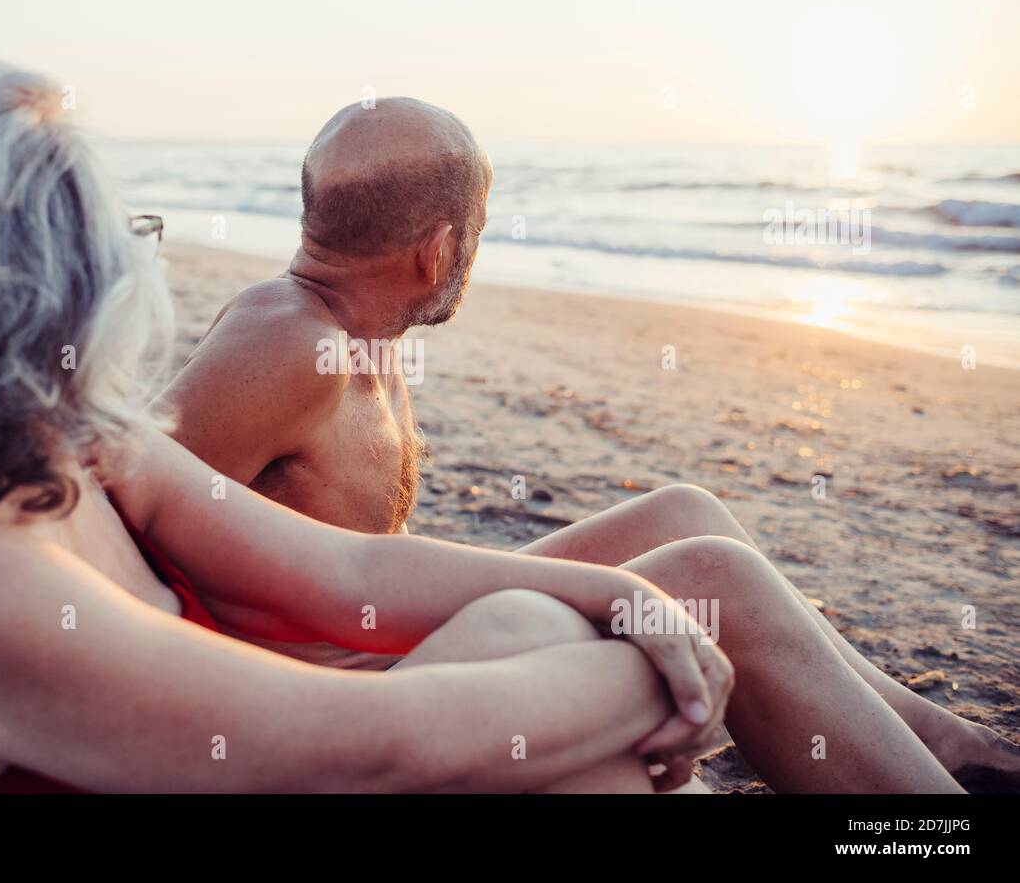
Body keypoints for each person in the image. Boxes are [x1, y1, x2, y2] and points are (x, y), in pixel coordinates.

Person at [0, 58, 965, 793]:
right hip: (296, 725)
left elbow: (352, 566)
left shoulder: (59, 442)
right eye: (102, 244)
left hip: (274, 728)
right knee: (580, 632)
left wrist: (633, 611)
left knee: (623, 593)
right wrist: (661, 671)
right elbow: (358, 744)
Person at [157, 96, 1018, 791]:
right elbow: (132, 510)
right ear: (439, 250)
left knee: (687, 512)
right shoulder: (284, 345)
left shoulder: (362, 329)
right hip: (346, 695)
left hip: (380, 631)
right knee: (718, 577)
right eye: (478, 236)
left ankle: (936, 737)